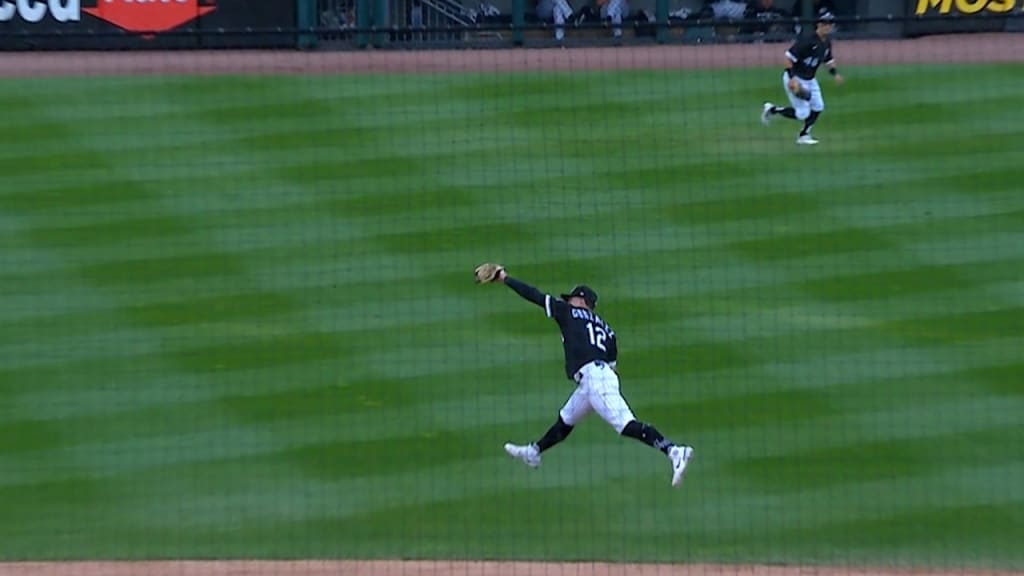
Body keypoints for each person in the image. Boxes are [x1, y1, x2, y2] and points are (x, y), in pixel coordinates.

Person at [474, 262, 695, 488]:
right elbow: (613, 366)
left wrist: (505, 279)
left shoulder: (568, 311)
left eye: (571, 298)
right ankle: (534, 451)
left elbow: (534, 295)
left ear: (581, 301)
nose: (568, 300)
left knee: (626, 425)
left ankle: (674, 450)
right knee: (567, 418)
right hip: (600, 377)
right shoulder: (608, 330)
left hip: (595, 379)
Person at [760, 11, 844, 145]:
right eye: (825, 24)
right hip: (795, 78)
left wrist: (835, 74)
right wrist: (792, 79)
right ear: (819, 24)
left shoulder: (827, 42)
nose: (827, 27)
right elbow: (788, 58)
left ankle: (804, 134)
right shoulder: (807, 40)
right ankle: (772, 109)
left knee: (818, 107)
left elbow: (828, 60)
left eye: (830, 24)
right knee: (803, 113)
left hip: (810, 79)